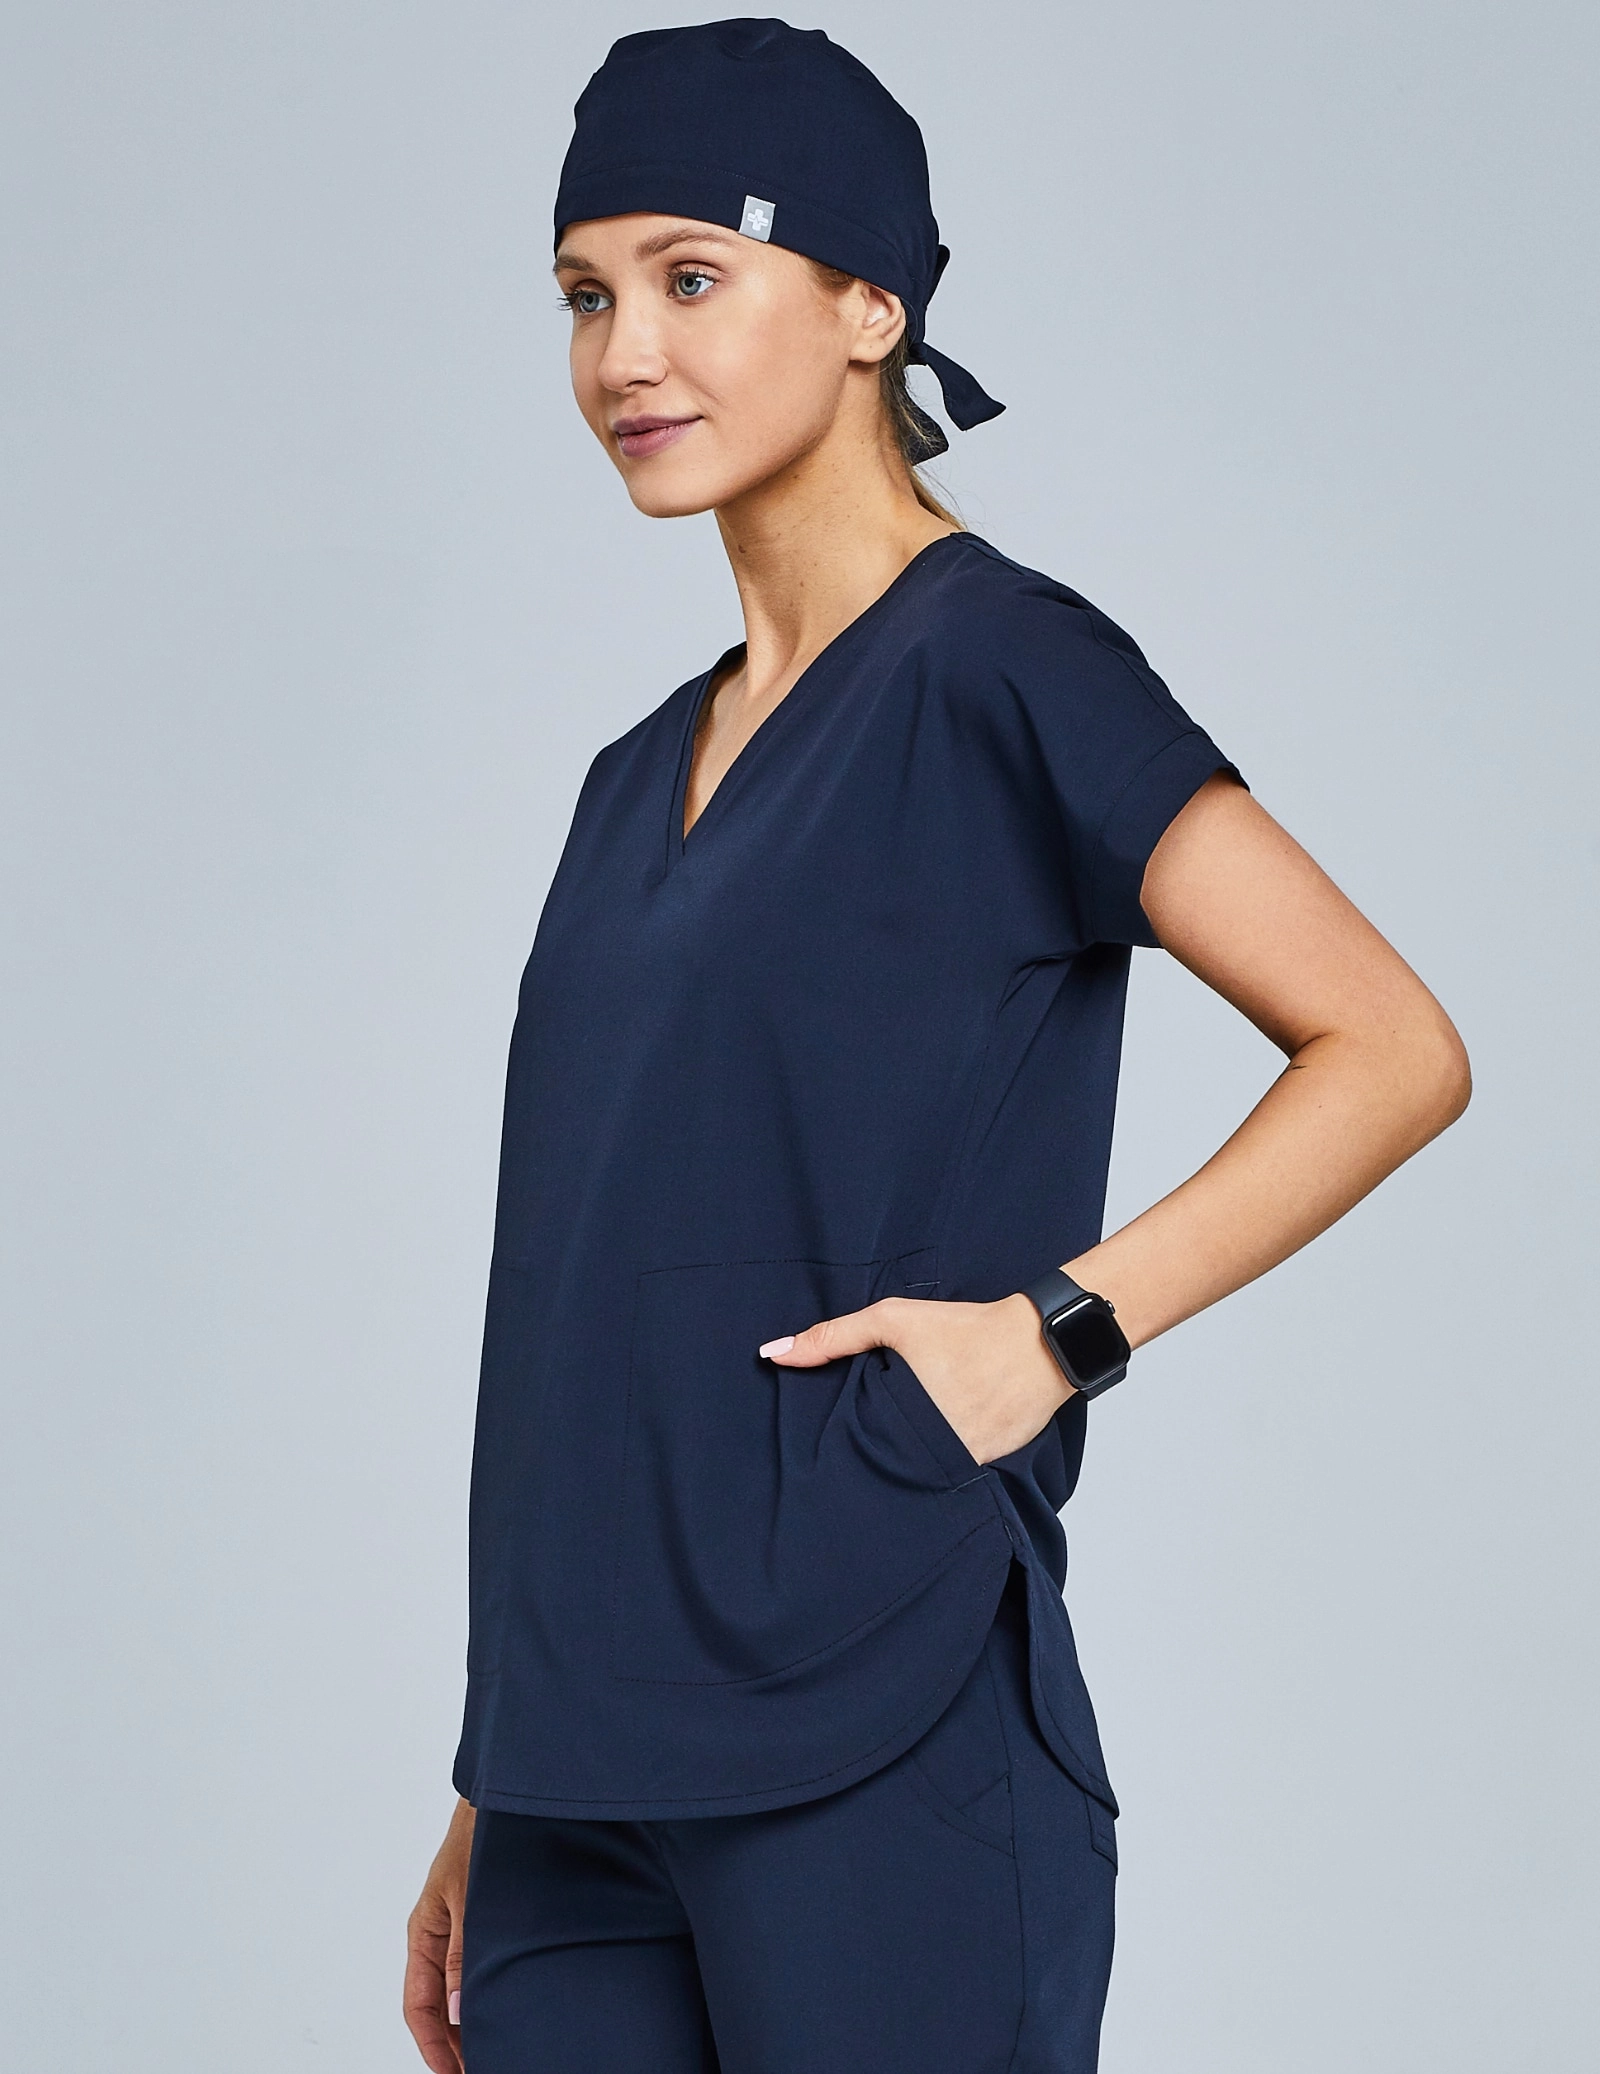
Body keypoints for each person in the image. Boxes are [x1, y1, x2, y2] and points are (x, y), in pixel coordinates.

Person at [403, 20, 1470, 2073]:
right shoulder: (628, 781)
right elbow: (577, 1288)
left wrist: (1053, 1331)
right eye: (583, 295)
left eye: (690, 275)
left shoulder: (999, 671)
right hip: (567, 1786)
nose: (625, 352)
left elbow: (1390, 1044)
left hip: (867, 1723)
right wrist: (487, 1766)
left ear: (869, 304)